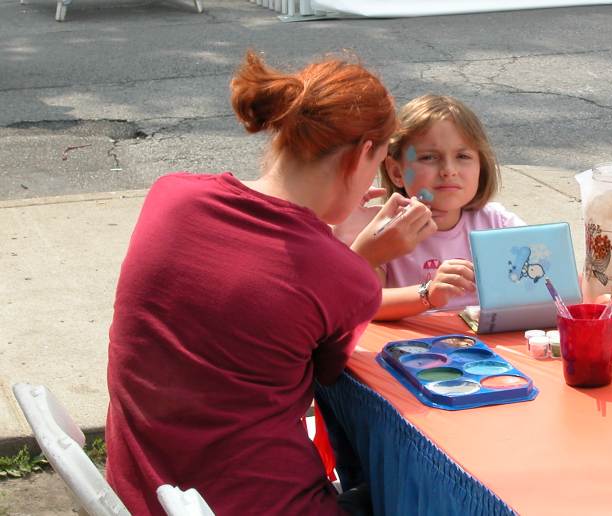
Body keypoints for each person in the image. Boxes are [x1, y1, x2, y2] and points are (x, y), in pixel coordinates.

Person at [105, 50, 432, 515]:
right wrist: (358, 259)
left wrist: (330, 244)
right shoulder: (339, 276)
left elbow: (263, 279)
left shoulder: (172, 195)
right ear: (363, 155)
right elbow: (328, 371)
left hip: (142, 493)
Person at [373, 95, 526, 320]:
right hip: (415, 350)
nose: (449, 170)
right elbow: (365, 303)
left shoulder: (498, 224)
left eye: (463, 156)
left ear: (481, 166)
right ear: (396, 172)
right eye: (429, 157)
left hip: (490, 350)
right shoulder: (384, 231)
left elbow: (552, 280)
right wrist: (428, 294)